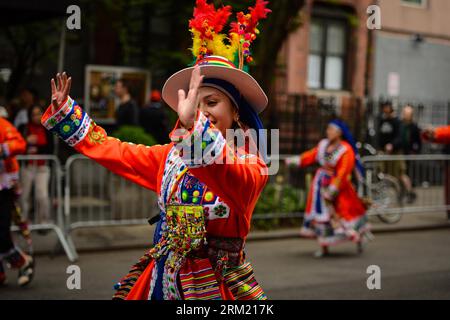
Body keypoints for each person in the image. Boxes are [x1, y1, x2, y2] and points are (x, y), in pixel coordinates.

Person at [41, 0, 271, 300]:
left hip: (217, 285)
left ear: (236, 112)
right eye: (195, 103)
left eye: (211, 103)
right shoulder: (169, 158)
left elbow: (228, 173)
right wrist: (68, 114)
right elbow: (116, 151)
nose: (202, 112)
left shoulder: (251, 165)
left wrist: (194, 126)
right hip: (164, 277)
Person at [286, 120, 371, 257]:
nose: (328, 132)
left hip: (338, 187)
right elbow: (310, 156)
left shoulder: (345, 149)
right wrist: (296, 160)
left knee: (345, 216)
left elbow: (344, 171)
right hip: (320, 186)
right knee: (321, 216)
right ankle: (324, 246)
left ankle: (358, 239)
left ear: (339, 133)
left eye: (331, 130)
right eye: (328, 129)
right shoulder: (323, 145)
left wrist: (333, 188)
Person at [0, 117, 34, 286]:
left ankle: (23, 261)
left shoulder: (2, 124)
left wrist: (2, 149)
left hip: (4, 185)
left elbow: (20, 143)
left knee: (2, 232)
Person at [19, 105, 54, 225]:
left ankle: (43, 222)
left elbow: (50, 148)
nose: (37, 117)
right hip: (27, 167)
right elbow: (17, 145)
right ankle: (23, 222)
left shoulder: (47, 129)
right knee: (24, 196)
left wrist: (37, 149)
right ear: (29, 116)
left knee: (42, 195)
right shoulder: (23, 128)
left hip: (42, 167)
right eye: (34, 114)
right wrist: (26, 142)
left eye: (39, 113)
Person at [396, 105, 421, 203]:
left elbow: (418, 142)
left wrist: (415, 152)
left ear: (411, 115)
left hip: (409, 154)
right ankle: (405, 193)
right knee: (401, 175)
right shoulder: (400, 125)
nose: (405, 115)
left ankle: (410, 193)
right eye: (404, 113)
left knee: (405, 175)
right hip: (400, 153)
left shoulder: (414, 127)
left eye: (407, 113)